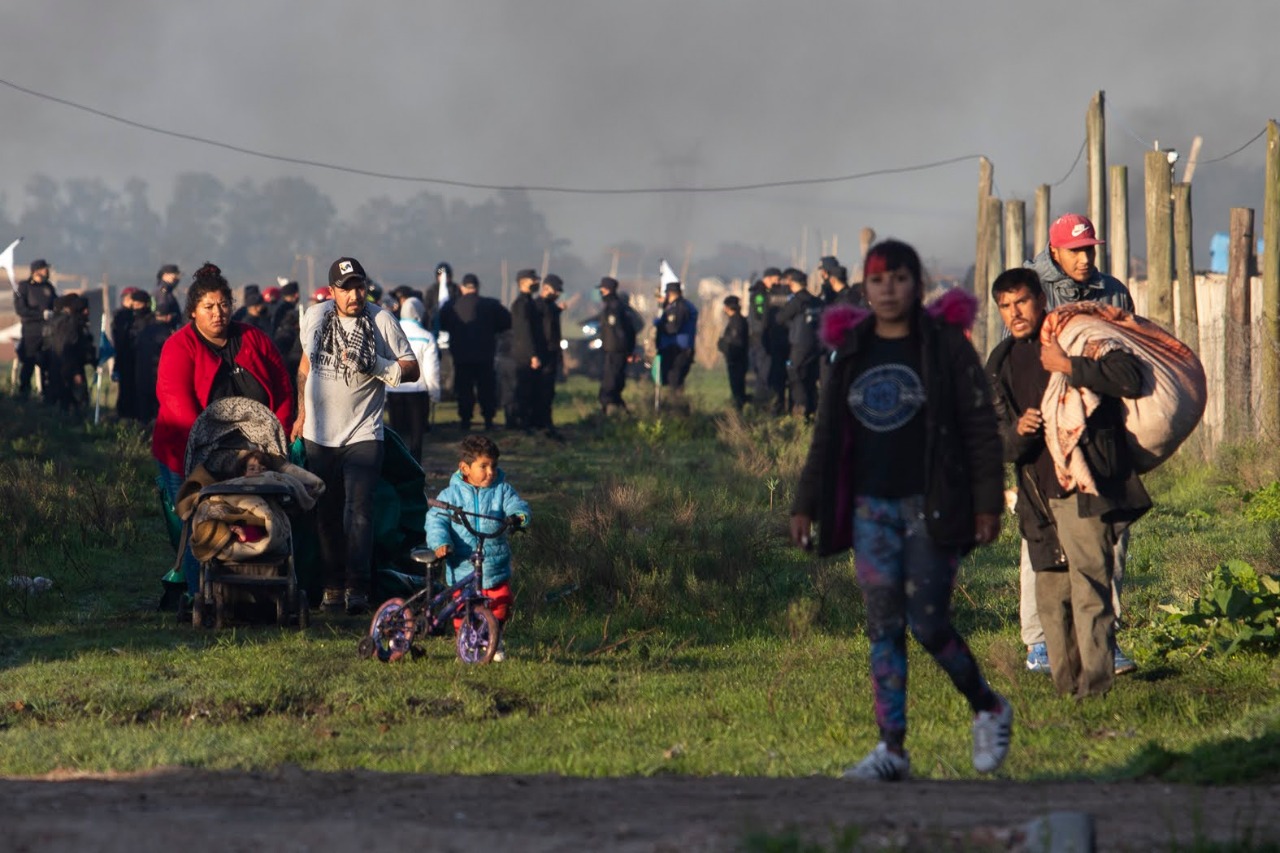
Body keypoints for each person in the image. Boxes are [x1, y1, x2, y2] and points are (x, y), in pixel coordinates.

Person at [790, 239, 1011, 782]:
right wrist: (805, 502)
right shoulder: (853, 348)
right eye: (877, 279)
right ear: (864, 288)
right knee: (883, 624)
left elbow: (980, 431)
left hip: (929, 509)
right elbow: (827, 433)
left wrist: (987, 504)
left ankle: (988, 706)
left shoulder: (945, 348)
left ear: (917, 285)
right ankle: (892, 748)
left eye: (899, 278)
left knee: (930, 624)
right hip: (871, 511)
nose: (888, 288)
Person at [987, 266, 1150, 697]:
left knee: (1090, 587)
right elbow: (1000, 443)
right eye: (1005, 306)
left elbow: (1129, 378)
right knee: (1052, 598)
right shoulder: (1001, 361)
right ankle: (1067, 689)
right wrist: (1018, 432)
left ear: (1041, 299)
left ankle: (1095, 687)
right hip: (1039, 498)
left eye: (1021, 301)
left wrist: (1071, 367)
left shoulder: (1075, 334)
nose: (1015, 312)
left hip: (1085, 486)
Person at [1019, 213, 1137, 676]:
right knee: (1046, 539)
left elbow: (1131, 356)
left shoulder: (1113, 292)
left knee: (1110, 535)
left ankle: (1104, 640)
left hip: (1105, 431)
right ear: (1055, 252)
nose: (1085, 258)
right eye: (1076, 250)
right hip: (1048, 432)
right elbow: (1019, 364)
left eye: (1090, 249)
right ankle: (1041, 642)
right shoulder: (1031, 292)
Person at [152, 263, 296, 596]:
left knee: (261, 515)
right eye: (209, 307)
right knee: (196, 523)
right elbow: (178, 404)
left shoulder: (254, 338)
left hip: (255, 451)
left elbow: (283, 387)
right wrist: (211, 452)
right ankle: (198, 592)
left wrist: (278, 434)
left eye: (224, 305)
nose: (219, 314)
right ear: (193, 313)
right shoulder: (178, 347)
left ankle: (259, 587)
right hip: (189, 451)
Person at [291, 256, 418, 616]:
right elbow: (305, 366)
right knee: (326, 513)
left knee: (358, 512)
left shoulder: (382, 320)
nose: (354, 295)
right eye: (345, 289)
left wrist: (376, 365)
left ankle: (358, 589)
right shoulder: (315, 318)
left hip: (363, 432)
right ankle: (332, 587)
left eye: (359, 286)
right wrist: (301, 413)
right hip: (319, 434)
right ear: (332, 292)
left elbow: (412, 369)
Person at [425, 435, 530, 662]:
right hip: (462, 565)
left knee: (501, 602)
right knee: (462, 609)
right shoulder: (450, 495)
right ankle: (467, 642)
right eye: (483, 466)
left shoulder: (501, 489)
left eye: (493, 466)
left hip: (494, 565)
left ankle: (494, 637)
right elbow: (436, 520)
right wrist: (441, 543)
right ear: (465, 467)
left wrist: (519, 516)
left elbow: (516, 504)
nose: (490, 472)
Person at [439, 273, 510, 431]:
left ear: (462, 287)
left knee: (464, 389)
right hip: (485, 355)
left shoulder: (451, 306)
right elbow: (506, 322)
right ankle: (488, 420)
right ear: (477, 287)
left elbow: (442, 325)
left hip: (461, 355)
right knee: (486, 389)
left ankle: (465, 421)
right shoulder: (491, 305)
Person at [386, 296, 441, 460]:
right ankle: (416, 469)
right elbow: (431, 370)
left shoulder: (389, 333)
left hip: (393, 389)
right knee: (416, 437)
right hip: (418, 393)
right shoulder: (427, 337)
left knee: (396, 435)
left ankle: (397, 470)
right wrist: (435, 393)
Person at [775, 267, 823, 420]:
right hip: (816, 345)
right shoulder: (816, 301)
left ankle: (801, 405)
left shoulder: (797, 301)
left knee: (794, 372)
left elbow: (780, 318)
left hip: (799, 344)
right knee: (810, 377)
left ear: (793, 283)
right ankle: (812, 408)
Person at [44, 293, 95, 416]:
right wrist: (76, 372)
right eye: (84, 309)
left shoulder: (57, 321)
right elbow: (69, 349)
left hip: (58, 368)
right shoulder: (70, 323)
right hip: (69, 369)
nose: (87, 312)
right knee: (75, 402)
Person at [508, 269, 547, 432]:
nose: (537, 283)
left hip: (528, 354)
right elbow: (525, 332)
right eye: (533, 281)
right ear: (523, 282)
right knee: (524, 391)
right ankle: (520, 423)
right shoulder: (521, 304)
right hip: (525, 355)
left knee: (531, 390)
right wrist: (533, 355)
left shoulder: (529, 302)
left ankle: (528, 422)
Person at [13, 258, 57, 401]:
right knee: (29, 363)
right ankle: (24, 393)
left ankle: (47, 395)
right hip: (31, 332)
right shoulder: (24, 287)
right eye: (45, 268)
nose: (47, 271)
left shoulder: (49, 287)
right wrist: (40, 315)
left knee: (48, 363)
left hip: (47, 332)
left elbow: (55, 303)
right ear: (36, 271)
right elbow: (21, 309)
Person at [594, 276, 637, 415]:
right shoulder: (617, 306)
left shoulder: (613, 307)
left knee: (611, 381)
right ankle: (619, 409)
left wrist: (626, 351)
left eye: (602, 289)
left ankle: (607, 410)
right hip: (616, 350)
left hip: (615, 350)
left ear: (606, 290)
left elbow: (619, 331)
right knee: (615, 379)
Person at [654, 279, 698, 396]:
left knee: (674, 380)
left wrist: (659, 324)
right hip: (677, 348)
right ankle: (677, 406)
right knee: (673, 380)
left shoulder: (678, 307)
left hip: (677, 349)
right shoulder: (681, 306)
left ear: (670, 293)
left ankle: (677, 408)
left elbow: (672, 328)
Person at [534, 274, 565, 439]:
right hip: (542, 355)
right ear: (546, 288)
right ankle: (541, 423)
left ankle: (546, 422)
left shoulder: (551, 307)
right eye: (556, 290)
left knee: (548, 392)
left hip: (551, 354)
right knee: (542, 391)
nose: (558, 294)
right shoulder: (538, 306)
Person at [111, 287, 145, 420]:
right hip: (125, 356)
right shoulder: (122, 316)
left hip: (128, 356)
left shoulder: (129, 316)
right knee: (126, 387)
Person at [717, 294, 749, 411]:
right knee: (737, 388)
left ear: (727, 307)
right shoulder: (738, 320)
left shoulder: (736, 321)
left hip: (736, 360)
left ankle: (739, 409)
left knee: (738, 389)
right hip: (736, 359)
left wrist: (723, 345)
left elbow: (734, 342)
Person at [153, 264, 182, 331]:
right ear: (165, 275)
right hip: (164, 328)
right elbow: (162, 310)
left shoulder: (168, 290)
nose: (177, 278)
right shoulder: (163, 291)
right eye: (174, 275)